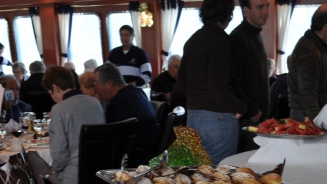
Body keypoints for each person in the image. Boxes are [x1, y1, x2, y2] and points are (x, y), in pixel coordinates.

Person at [178, 0, 247, 163]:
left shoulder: (192, 40)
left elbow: (181, 81)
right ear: (228, 15)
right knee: (220, 172)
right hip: (217, 118)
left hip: (193, 116)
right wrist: (241, 106)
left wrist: (197, 99)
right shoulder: (220, 42)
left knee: (199, 173)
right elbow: (217, 89)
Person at [42, 66, 105, 184]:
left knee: (38, 175)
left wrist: (53, 169)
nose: (52, 97)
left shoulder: (59, 109)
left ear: (55, 88)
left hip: (75, 179)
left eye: (50, 93)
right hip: (101, 174)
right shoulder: (95, 103)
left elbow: (59, 155)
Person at [94, 63, 161, 166]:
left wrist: (93, 103)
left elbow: (108, 137)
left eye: (96, 83)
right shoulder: (136, 92)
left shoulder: (120, 102)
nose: (94, 88)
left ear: (109, 84)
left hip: (138, 160)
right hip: (151, 153)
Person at [287, 5, 327, 121]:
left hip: (310, 113)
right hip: (306, 116)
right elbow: (307, 94)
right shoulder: (310, 51)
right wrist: (315, 122)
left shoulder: (315, 47)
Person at [229, 0, 269, 153]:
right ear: (246, 11)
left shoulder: (255, 34)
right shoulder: (238, 38)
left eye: (267, 6)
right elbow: (233, 81)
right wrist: (252, 109)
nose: (266, 12)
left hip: (257, 117)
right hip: (247, 119)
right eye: (260, 7)